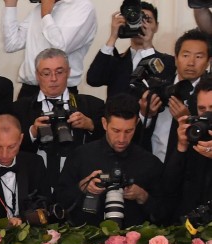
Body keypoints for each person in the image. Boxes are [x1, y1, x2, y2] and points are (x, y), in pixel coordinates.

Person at [56, 93, 162, 228]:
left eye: (129, 131)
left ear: (137, 124)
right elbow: (59, 201)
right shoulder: (81, 156)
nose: (122, 139)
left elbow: (163, 212)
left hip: (135, 241)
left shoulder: (149, 162)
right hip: (86, 239)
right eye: (116, 130)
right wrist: (82, 187)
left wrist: (143, 196)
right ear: (104, 123)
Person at [10, 48, 104, 189]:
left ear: (69, 72)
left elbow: (108, 143)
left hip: (79, 184)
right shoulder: (20, 108)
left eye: (59, 72)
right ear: (37, 75)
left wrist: (90, 125)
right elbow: (8, 148)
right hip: (34, 184)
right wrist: (32, 132)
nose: (53, 79)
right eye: (46, 73)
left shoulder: (91, 105)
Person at [137, 29, 212, 163]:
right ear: (176, 59)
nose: (191, 62)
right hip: (153, 167)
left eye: (199, 57)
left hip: (191, 173)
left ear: (208, 62)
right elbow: (135, 135)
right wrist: (145, 114)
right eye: (185, 55)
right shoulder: (158, 86)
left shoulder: (209, 94)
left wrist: (189, 120)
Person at [1, 0, 98, 101]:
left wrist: (46, 15)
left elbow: (61, 48)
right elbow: (11, 44)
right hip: (29, 90)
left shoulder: (82, 7)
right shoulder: (38, 9)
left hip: (60, 92)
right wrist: (10, 6)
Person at [86, 3, 172, 98]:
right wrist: (113, 37)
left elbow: (161, 90)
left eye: (147, 20)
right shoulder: (117, 61)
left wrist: (147, 46)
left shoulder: (167, 62)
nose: (141, 25)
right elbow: (93, 79)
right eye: (136, 20)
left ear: (156, 26)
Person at [161, 75, 212, 225]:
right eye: (202, 109)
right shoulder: (194, 134)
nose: (207, 114)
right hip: (188, 225)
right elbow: (168, 187)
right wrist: (181, 147)